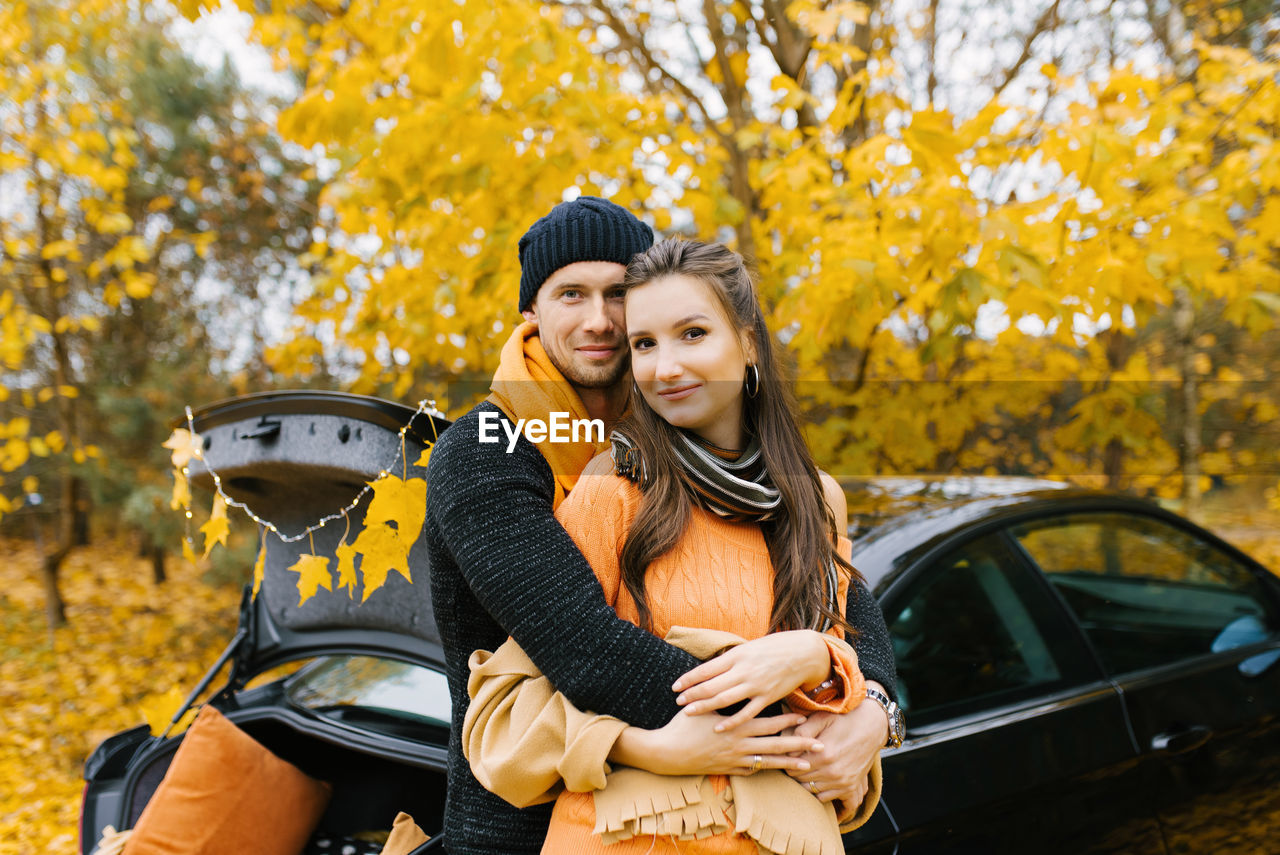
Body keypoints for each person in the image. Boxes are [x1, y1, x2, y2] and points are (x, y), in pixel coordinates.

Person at [424, 197, 898, 854]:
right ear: (531, 312)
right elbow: (586, 647)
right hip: (523, 822)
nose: (598, 319)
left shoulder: (677, 433)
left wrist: (873, 705)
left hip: (724, 814)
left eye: (618, 293)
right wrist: (805, 719)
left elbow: (843, 601)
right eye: (570, 294)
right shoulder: (488, 449)